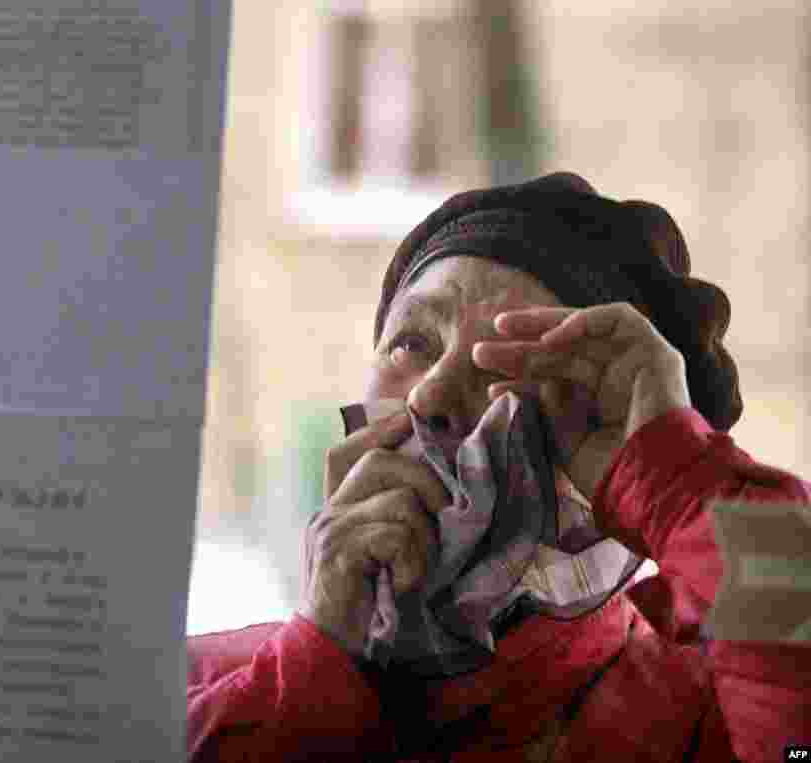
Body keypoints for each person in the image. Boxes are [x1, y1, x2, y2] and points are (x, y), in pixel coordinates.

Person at [186, 172, 811, 762]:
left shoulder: (714, 720)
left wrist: (679, 481)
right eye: (412, 343)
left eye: (511, 366)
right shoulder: (187, 691)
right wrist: (313, 677)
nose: (428, 397)